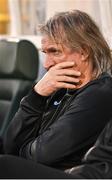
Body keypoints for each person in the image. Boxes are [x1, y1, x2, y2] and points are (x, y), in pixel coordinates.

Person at [3, 10, 112, 172]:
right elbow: (9, 145)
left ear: (84, 52)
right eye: (45, 53)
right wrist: (36, 95)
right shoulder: (57, 89)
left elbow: (43, 156)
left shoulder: (100, 94)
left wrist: (20, 152)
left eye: (55, 51)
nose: (46, 64)